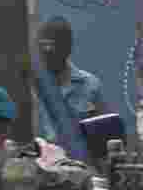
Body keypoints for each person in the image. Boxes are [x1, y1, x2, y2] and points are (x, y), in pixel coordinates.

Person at [36, 17, 107, 146]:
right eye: (43, 45)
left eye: (53, 45)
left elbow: (104, 135)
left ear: (67, 48)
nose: (48, 51)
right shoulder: (31, 87)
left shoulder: (90, 85)